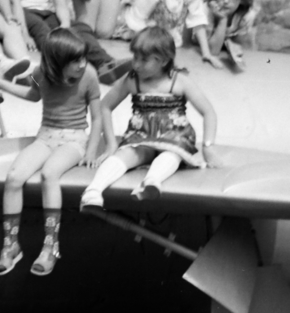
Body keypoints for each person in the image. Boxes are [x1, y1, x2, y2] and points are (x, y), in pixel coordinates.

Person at [0, 27, 109, 277]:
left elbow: (97, 118)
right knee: (13, 177)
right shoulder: (40, 73)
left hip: (74, 139)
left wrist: (91, 151)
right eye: (75, 61)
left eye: (84, 58)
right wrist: (1, 84)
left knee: (49, 173)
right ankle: (11, 245)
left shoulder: (90, 76)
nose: (82, 65)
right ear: (56, 63)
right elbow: (33, 95)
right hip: (46, 135)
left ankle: (51, 246)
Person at [80, 27, 219, 207]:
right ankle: (93, 191)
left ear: (163, 61)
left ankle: (151, 182)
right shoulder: (131, 80)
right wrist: (111, 144)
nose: (136, 64)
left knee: (171, 154)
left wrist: (208, 146)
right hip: (141, 135)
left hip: (174, 137)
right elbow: (105, 106)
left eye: (143, 60)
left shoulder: (179, 81)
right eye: (135, 57)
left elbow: (208, 112)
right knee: (124, 156)